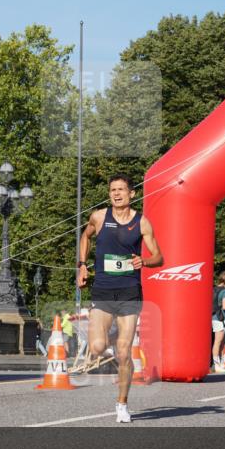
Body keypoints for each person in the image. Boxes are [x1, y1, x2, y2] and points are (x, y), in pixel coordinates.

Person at [77, 174, 163, 423]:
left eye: (121, 190)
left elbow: (159, 257)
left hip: (129, 290)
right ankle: (111, 336)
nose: (116, 194)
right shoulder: (99, 217)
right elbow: (85, 237)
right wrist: (82, 265)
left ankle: (122, 404)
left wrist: (143, 261)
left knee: (124, 352)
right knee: (97, 347)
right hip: (103, 290)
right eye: (112, 190)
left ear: (131, 194)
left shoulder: (142, 223)